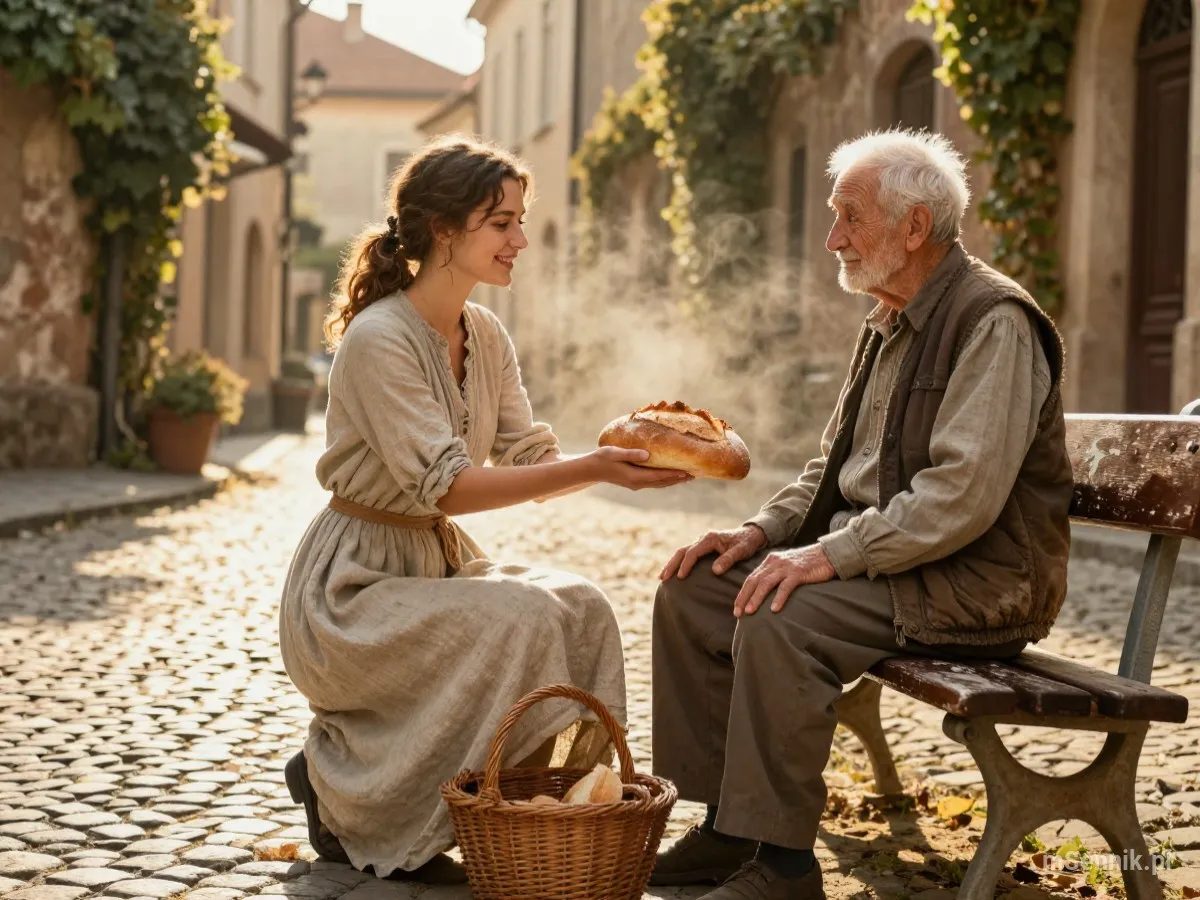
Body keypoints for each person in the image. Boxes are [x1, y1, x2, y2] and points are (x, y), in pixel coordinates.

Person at [649, 129, 1073, 900]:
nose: (832, 238)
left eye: (850, 217)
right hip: (890, 565)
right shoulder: (887, 319)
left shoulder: (994, 320)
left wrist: (825, 556)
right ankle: (726, 831)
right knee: (694, 588)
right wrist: (759, 533)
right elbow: (833, 468)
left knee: (781, 613)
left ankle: (783, 867)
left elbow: (962, 495)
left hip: (976, 582)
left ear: (915, 227)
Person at [278, 135, 692, 884]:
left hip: (430, 566)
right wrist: (594, 468)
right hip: (350, 589)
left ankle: (538, 813)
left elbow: (527, 458)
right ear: (444, 229)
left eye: (520, 221)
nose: (520, 240)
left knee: (583, 606)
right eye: (502, 223)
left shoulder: (487, 334)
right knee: (520, 616)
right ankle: (337, 788)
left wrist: (622, 452)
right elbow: (448, 487)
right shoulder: (378, 340)